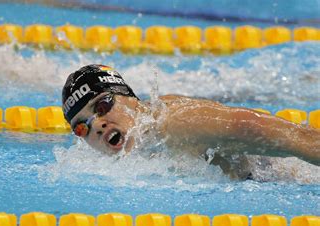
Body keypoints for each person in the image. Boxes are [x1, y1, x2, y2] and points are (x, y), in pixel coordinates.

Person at [61, 64, 320, 179]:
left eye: (103, 106)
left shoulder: (178, 124)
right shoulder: (135, 147)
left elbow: (281, 133)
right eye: (83, 127)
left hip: (277, 177)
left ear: (130, 97)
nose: (97, 125)